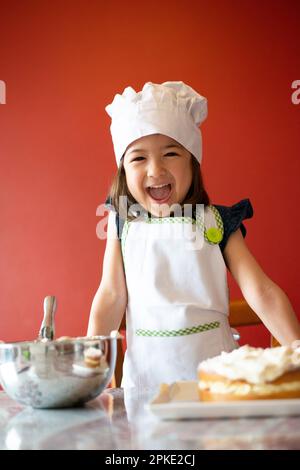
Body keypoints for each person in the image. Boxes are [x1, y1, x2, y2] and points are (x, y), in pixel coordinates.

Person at [87, 81, 300, 392]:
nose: (155, 169)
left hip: (215, 383)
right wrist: (91, 365)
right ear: (123, 170)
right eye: (138, 158)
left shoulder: (217, 221)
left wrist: (296, 348)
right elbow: (111, 296)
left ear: (192, 162)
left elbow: (262, 293)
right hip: (146, 387)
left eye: (171, 153)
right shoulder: (122, 224)